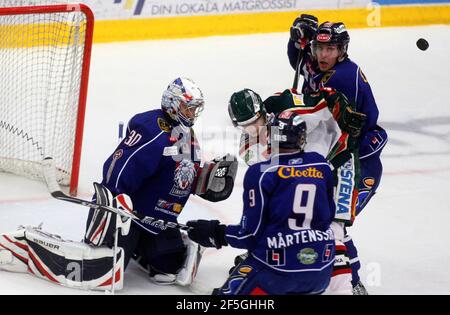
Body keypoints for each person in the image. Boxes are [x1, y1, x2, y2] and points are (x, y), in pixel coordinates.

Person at [0, 77, 238, 291]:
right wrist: (116, 202)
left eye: (195, 108)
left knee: (170, 267)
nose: (192, 112)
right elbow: (117, 167)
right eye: (188, 106)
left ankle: (140, 249)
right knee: (101, 270)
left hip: (157, 221)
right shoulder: (152, 129)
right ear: (173, 103)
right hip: (126, 216)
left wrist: (205, 181)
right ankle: (23, 245)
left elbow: (179, 175)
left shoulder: (187, 134)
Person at [228, 87, 366, 294]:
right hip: (311, 175)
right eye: (246, 126)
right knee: (291, 221)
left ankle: (352, 283)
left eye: (255, 122)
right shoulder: (249, 149)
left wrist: (339, 104)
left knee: (335, 227)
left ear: (263, 111)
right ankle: (272, 260)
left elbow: (324, 97)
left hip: (339, 157)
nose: (253, 129)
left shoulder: (286, 105)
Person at [289, 16, 388, 294]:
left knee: (333, 223)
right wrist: (295, 40)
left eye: (330, 49)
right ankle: (309, 269)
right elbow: (302, 64)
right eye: (319, 49)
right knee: (315, 218)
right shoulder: (325, 66)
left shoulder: (344, 77)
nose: (323, 55)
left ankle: (353, 283)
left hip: (357, 167)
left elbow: (316, 109)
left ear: (342, 50)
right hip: (334, 159)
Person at [187, 111, 336, 295]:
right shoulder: (322, 165)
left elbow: (248, 235)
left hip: (278, 270)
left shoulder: (262, 172)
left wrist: (215, 232)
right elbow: (329, 216)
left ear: (271, 136)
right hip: (321, 272)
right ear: (302, 137)